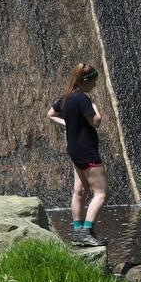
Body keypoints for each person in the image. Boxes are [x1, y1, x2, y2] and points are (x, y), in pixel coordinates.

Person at [47, 63, 106, 247]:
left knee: (80, 190)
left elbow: (50, 114)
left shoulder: (66, 98)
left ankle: (76, 231)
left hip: (74, 149)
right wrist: (95, 107)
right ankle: (86, 231)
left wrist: (68, 124)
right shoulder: (82, 98)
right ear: (85, 81)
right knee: (101, 192)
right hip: (87, 149)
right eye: (94, 82)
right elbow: (96, 122)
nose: (95, 86)